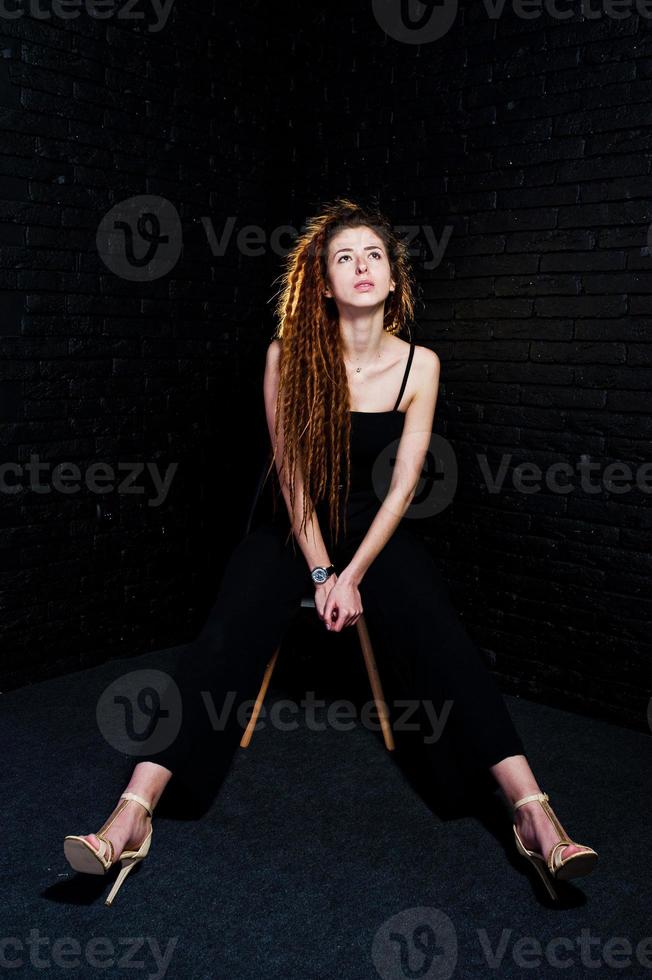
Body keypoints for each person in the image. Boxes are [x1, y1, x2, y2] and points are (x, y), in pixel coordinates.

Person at [63, 197, 597, 906]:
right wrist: (321, 572)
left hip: (374, 532)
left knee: (441, 634)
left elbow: (405, 484)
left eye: (373, 254)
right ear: (322, 282)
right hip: (295, 525)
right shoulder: (288, 356)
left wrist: (356, 572)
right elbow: (290, 476)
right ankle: (130, 815)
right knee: (223, 634)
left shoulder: (421, 366)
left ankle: (535, 816)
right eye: (344, 258)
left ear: (394, 278)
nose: (362, 266)